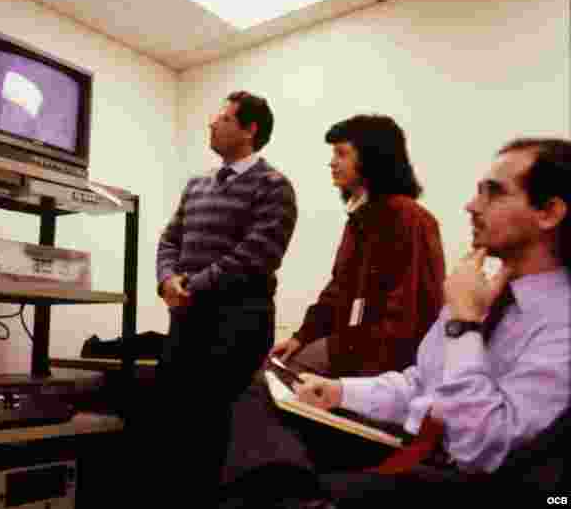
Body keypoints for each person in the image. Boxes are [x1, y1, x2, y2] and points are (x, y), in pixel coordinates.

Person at [225, 137, 571, 506]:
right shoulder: (480, 290)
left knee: (278, 482)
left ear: (548, 212)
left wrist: (464, 326)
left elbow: (481, 452)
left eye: (494, 193)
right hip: (416, 448)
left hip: (480, 484)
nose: (471, 206)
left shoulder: (559, 322)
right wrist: (340, 391)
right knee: (259, 394)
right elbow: (421, 382)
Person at [225, 115, 446, 483]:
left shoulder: (411, 220)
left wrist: (356, 382)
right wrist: (301, 337)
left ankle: (280, 487)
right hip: (348, 349)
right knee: (267, 379)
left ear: (372, 158)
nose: (332, 162)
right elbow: (337, 291)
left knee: (262, 391)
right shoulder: (359, 220)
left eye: (342, 153)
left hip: (380, 362)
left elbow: (409, 315)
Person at [152, 91, 298, 506]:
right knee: (173, 430)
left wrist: (191, 286)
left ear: (250, 130)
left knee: (214, 434)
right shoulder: (196, 185)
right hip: (186, 323)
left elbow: (257, 255)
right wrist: (166, 281)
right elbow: (170, 239)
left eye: (224, 119)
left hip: (237, 326)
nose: (212, 124)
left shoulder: (274, 187)